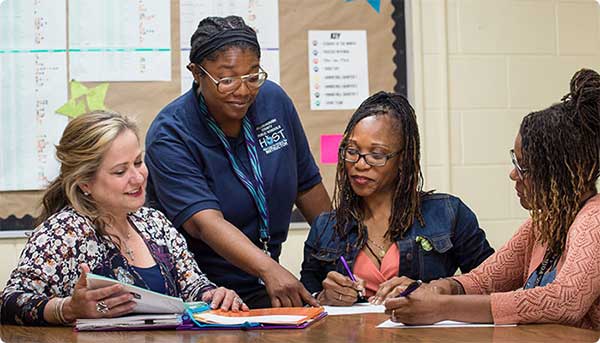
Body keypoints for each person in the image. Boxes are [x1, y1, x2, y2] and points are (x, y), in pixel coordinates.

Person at [384, 69, 600, 329]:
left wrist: (442, 308)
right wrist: (437, 289)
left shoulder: (595, 219)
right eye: (515, 162)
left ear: (561, 173)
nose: (513, 175)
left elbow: (564, 301)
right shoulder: (543, 225)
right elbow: (484, 280)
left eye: (524, 167)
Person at [145, 16, 330, 309]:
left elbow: (307, 185)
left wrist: (342, 256)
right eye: (227, 79)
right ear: (197, 73)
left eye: (253, 75)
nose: (243, 91)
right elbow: (205, 224)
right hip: (201, 293)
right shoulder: (170, 133)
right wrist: (269, 270)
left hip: (262, 284)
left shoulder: (273, 101)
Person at [0, 112, 246, 326]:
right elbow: (8, 302)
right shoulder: (64, 233)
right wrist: (67, 309)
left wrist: (214, 295)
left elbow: (193, 285)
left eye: (138, 162)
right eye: (120, 171)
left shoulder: (154, 223)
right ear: (85, 182)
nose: (138, 178)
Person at [299, 91, 494, 306]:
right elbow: (306, 297)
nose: (360, 164)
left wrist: (435, 290)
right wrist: (323, 297)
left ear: (403, 159)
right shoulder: (326, 227)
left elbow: (492, 283)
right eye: (352, 151)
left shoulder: (448, 213)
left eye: (377, 155)